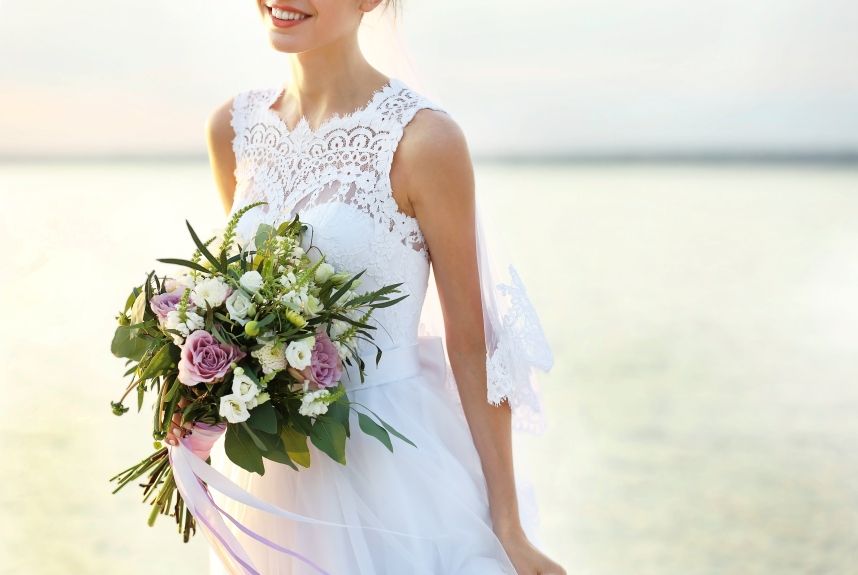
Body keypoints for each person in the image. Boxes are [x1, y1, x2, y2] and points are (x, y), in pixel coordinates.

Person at [166, 1, 566, 573]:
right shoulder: (234, 129)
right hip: (276, 479)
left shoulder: (423, 140)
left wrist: (508, 524)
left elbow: (474, 343)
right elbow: (248, 299)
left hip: (394, 471)